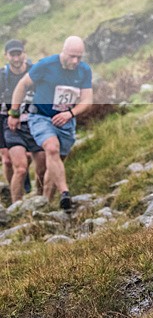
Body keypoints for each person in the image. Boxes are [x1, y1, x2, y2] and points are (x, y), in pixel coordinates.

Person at [8, 36, 93, 212]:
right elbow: (22, 85)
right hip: (41, 117)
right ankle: (65, 192)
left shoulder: (84, 70)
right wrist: (14, 112)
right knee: (51, 148)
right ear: (63, 51)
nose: (75, 61)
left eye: (79, 57)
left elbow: (87, 100)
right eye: (72, 56)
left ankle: (46, 203)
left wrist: (70, 113)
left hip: (66, 122)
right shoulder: (46, 65)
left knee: (56, 163)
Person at [0, 40, 44, 203]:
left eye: (19, 54)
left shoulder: (35, 73)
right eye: (13, 54)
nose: (16, 58)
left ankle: (40, 199)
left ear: (24, 54)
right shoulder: (2, 77)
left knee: (41, 165)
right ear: (6, 56)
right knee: (13, 163)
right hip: (8, 123)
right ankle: (16, 204)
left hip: (34, 122)